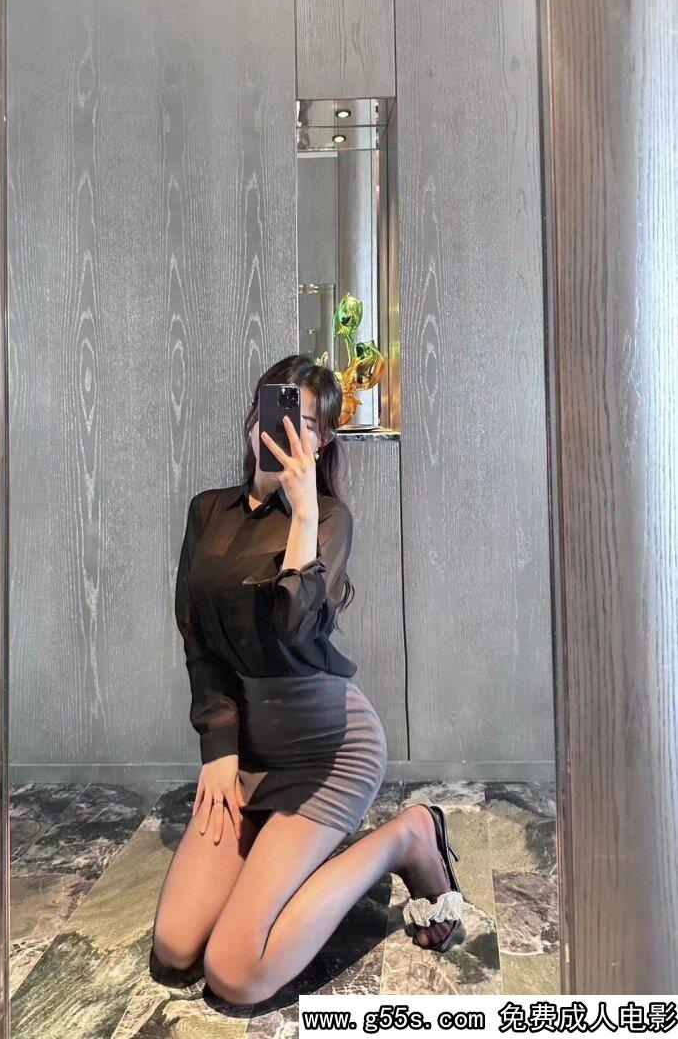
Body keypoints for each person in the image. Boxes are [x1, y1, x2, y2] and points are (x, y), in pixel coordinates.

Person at [152, 354, 464, 1006]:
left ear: (322, 441)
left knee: (235, 974)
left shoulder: (328, 520)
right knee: (176, 950)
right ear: (253, 416)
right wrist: (219, 749)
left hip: (328, 750)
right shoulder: (207, 511)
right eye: (275, 407)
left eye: (307, 422)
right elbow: (198, 640)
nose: (284, 429)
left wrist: (299, 514)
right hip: (248, 754)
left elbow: (295, 633)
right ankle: (273, 843)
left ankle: (404, 837)